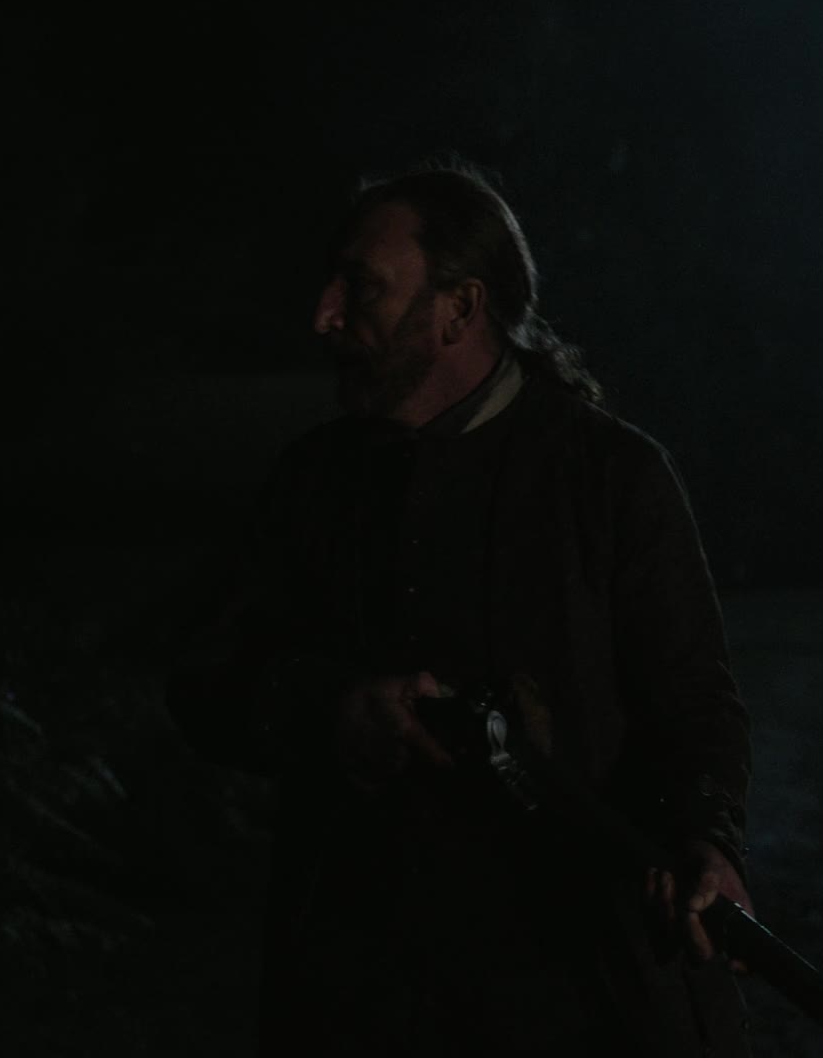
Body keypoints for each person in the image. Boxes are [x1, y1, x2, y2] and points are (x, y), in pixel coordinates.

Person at [169, 164, 753, 1057]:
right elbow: (208, 677)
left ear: (460, 308)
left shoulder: (609, 479)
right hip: (361, 1002)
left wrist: (706, 838)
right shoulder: (313, 486)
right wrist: (336, 711)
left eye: (362, 287)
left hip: (576, 1000)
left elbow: (693, 705)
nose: (325, 316)